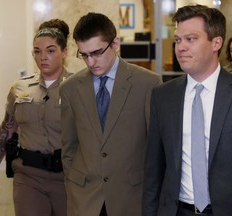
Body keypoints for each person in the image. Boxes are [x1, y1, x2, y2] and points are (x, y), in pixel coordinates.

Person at [143, 4, 232, 216]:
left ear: (216, 43)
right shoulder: (163, 96)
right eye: (178, 40)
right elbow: (154, 170)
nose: (180, 47)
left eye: (191, 39)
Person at [60, 12, 162, 216]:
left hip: (131, 196)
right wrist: (73, 180)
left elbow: (156, 147)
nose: (91, 62)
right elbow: (69, 145)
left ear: (115, 43)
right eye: (84, 55)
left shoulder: (147, 83)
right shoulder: (70, 88)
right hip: (85, 197)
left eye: (97, 52)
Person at [0, 19, 72, 216]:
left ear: (64, 52)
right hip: (28, 176)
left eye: (51, 51)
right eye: (37, 51)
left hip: (68, 177)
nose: (43, 57)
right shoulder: (20, 88)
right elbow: (7, 128)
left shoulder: (78, 87)